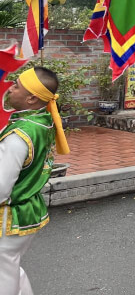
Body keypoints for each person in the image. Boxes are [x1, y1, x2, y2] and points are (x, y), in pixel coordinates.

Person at [0, 67, 68, 295]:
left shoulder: (19, 135)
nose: (11, 87)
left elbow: (1, 188)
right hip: (28, 207)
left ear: (31, 98)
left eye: (17, 85)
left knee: (3, 270)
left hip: (10, 215)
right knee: (10, 263)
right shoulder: (42, 122)